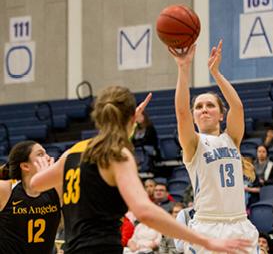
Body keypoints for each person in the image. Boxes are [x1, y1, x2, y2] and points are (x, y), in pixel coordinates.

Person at [30, 86, 251, 254]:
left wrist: (42, 169)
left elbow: (35, 184)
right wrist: (205, 241)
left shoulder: (72, 154)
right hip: (102, 247)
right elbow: (144, 211)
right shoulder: (117, 155)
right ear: (133, 118)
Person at [170, 40, 259, 253]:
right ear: (194, 116)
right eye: (199, 107)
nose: (204, 109)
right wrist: (183, 69)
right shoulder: (194, 144)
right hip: (207, 226)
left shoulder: (232, 139)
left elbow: (237, 106)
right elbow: (181, 112)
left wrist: (216, 73)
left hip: (239, 223)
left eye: (210, 105)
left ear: (221, 115)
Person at [0, 141, 61, 254]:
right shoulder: (6, 190)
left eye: (46, 153)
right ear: (25, 166)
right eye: (40, 154)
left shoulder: (57, 189)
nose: (48, 157)